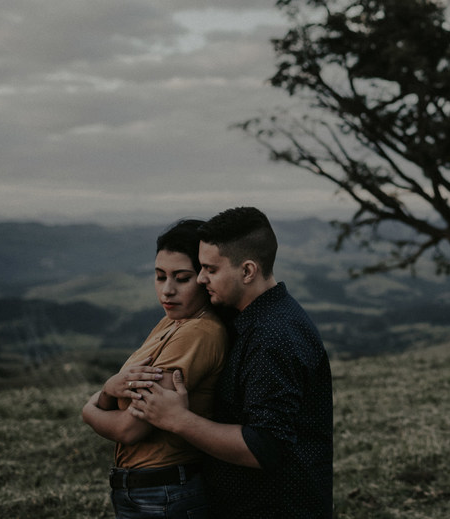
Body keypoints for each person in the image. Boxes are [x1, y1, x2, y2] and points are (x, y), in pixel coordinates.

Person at [130, 206, 335, 519]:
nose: (201, 278)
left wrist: (178, 420)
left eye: (211, 269)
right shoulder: (256, 322)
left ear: (248, 271)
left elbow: (263, 447)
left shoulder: (273, 336)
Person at [82, 218, 229, 519]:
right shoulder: (172, 322)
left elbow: (130, 428)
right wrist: (110, 389)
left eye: (182, 278)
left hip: (164, 495)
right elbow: (121, 396)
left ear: (204, 277)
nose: (167, 290)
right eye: (160, 276)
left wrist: (88, 409)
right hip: (149, 492)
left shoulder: (198, 332)